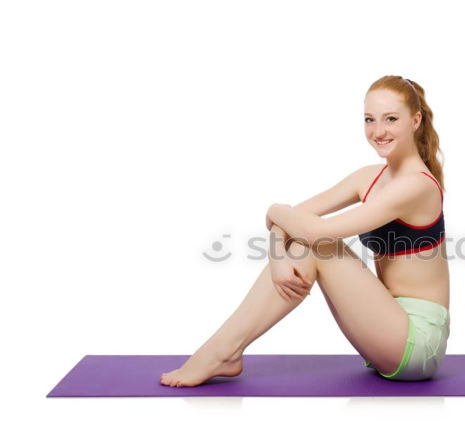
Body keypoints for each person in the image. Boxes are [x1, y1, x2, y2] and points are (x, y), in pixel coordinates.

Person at [160, 75, 450, 387]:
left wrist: (273, 210)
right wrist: (277, 257)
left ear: (415, 120)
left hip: (418, 342)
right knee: (306, 242)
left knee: (316, 244)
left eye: (391, 119)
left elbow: (309, 230)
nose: (378, 131)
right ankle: (224, 351)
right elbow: (294, 221)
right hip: (386, 325)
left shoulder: (416, 186)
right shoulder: (368, 178)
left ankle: (222, 351)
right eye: (369, 120)